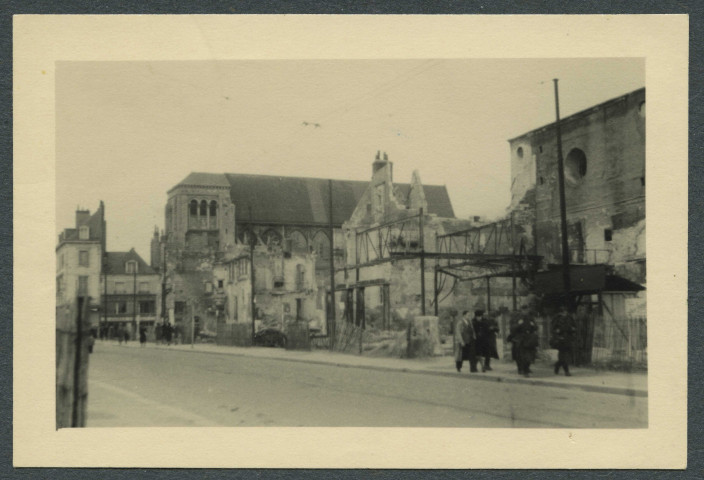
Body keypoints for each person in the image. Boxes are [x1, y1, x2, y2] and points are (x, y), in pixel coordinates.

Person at [507, 305, 539, 377]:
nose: (525, 311)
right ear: (521, 310)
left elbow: (536, 327)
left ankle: (526, 368)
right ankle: (521, 369)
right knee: (520, 356)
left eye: (526, 310)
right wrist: (519, 324)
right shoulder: (516, 317)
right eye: (524, 310)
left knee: (530, 355)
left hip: (529, 339)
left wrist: (533, 325)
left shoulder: (530, 317)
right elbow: (512, 328)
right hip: (519, 339)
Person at [551, 305, 576, 376]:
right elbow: (553, 329)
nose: (565, 313)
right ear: (560, 312)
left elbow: (574, 326)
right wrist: (557, 335)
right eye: (563, 312)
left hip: (568, 338)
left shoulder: (570, 318)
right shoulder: (557, 318)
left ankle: (557, 365)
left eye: (566, 311)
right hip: (560, 339)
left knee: (567, 355)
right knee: (563, 355)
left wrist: (573, 330)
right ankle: (566, 371)